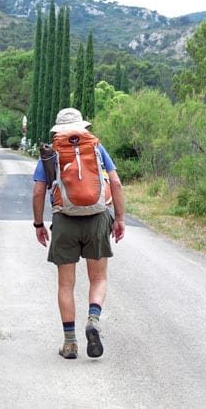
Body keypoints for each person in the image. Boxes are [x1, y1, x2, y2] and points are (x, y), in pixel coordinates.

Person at [32, 107, 125, 359]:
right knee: (98, 279)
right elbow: (115, 182)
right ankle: (93, 319)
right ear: (82, 127)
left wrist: (39, 224)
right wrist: (120, 219)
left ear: (58, 129)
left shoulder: (51, 153)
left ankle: (70, 342)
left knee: (66, 284)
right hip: (97, 218)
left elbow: (39, 191)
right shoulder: (96, 148)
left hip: (65, 219)